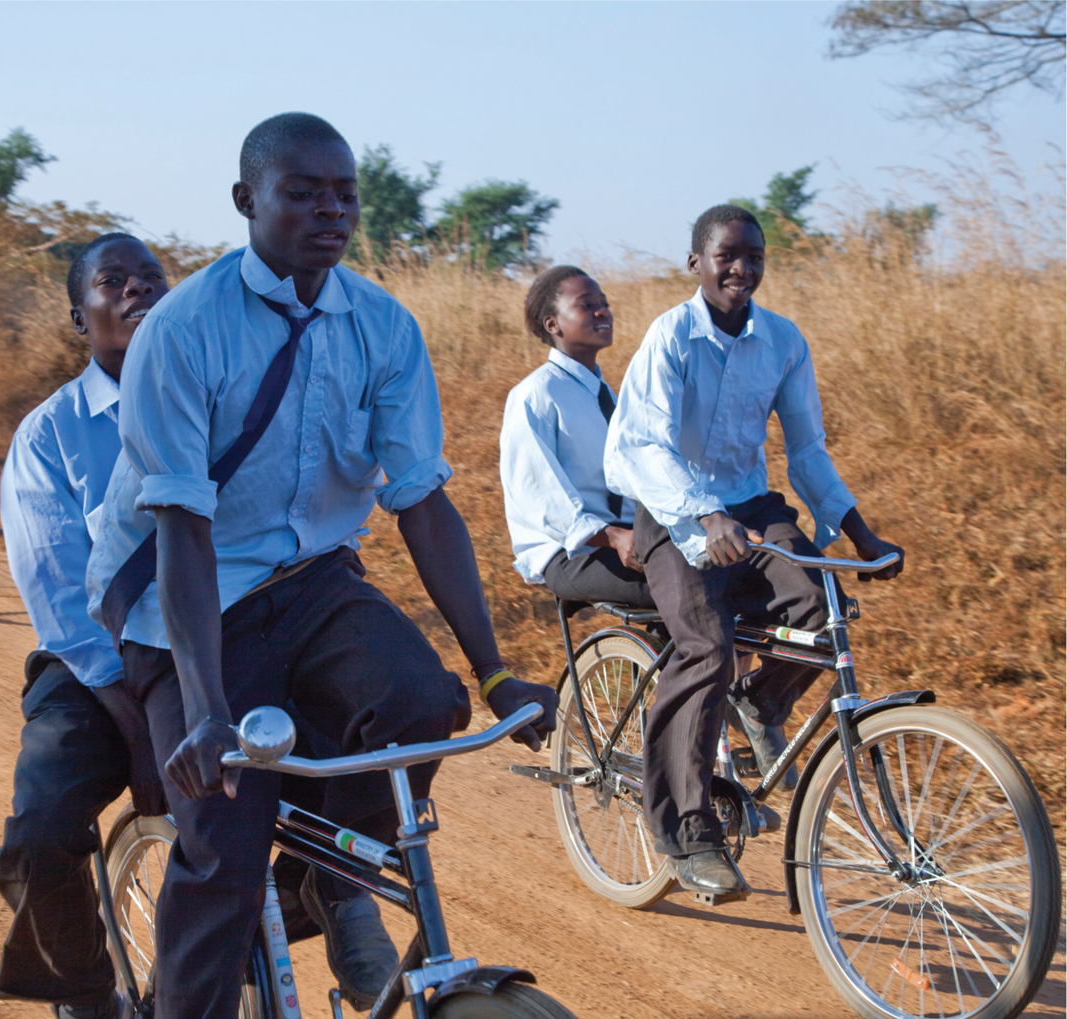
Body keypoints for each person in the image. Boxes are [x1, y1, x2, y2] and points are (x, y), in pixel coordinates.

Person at [86, 112, 556, 1019]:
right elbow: (183, 528)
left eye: (344, 193)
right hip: (183, 600)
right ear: (246, 201)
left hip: (310, 584)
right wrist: (211, 710)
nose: (329, 210)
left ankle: (326, 880)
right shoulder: (182, 332)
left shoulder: (381, 325)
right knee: (223, 838)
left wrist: (496, 674)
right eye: (301, 192)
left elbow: (419, 498)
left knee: (422, 703)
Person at [604, 204, 904, 899]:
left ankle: (759, 703)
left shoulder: (782, 340)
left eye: (754, 256)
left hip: (750, 508)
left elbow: (806, 450)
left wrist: (862, 534)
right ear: (696, 264)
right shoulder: (671, 335)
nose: (742, 268)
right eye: (726, 256)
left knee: (821, 607)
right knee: (705, 645)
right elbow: (637, 448)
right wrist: (704, 515)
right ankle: (687, 829)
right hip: (676, 511)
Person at [0, 233, 171, 1019]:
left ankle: (341, 914)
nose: (138, 288)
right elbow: (63, 601)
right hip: (96, 668)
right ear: (78, 315)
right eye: (114, 279)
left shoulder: (224, 407)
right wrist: (136, 719)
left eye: (153, 277)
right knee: (42, 834)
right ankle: (89, 996)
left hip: (224, 640)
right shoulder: (48, 436)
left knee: (356, 759)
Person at [499, 265, 652, 609]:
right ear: (552, 324)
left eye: (605, 302)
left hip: (625, 538)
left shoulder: (608, 395)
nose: (603, 311)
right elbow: (541, 497)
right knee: (687, 591)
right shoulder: (535, 395)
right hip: (572, 552)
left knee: (723, 571)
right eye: (586, 305)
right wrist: (613, 537)